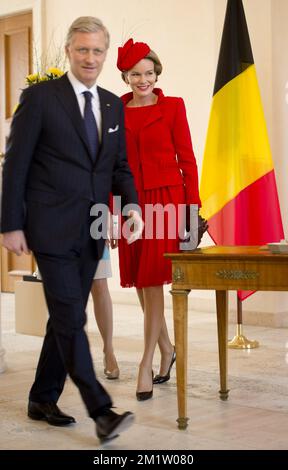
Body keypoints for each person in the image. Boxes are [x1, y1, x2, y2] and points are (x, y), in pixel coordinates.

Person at [0, 17, 143, 443]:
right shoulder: (41, 98)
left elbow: (117, 166)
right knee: (71, 316)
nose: (91, 58)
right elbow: (16, 163)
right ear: (69, 51)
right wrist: (11, 224)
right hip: (50, 229)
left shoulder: (112, 106)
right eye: (83, 50)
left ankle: (43, 396)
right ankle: (102, 411)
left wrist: (132, 205)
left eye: (98, 51)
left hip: (93, 229)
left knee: (62, 319)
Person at [116, 38, 207, 400]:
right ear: (125, 76)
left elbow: (188, 160)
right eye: (136, 74)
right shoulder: (114, 112)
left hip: (166, 203)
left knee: (153, 282)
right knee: (141, 282)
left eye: (149, 73)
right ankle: (168, 349)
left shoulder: (172, 108)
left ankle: (146, 362)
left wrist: (192, 207)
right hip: (130, 204)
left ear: (157, 73)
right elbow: (110, 165)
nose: (144, 80)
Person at [92, 244, 119, 380]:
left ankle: (108, 350)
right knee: (67, 289)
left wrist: (113, 226)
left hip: (93, 226)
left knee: (100, 284)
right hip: (60, 228)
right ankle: (66, 351)